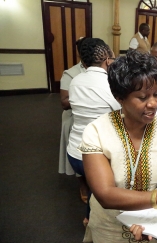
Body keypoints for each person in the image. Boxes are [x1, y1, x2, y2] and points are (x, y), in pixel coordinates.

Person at [79, 50, 157, 243]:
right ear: (120, 98)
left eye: (156, 94)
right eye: (142, 98)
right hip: (110, 226)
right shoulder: (97, 132)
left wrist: (152, 221)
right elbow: (105, 194)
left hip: (155, 221)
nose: (153, 103)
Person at [67, 38, 121, 226]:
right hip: (95, 155)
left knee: (93, 188)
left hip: (74, 152)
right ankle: (93, 221)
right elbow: (122, 112)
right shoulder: (109, 83)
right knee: (103, 191)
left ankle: (89, 217)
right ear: (107, 59)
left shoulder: (75, 81)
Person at [58, 36, 89, 204]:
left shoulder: (103, 71)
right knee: (74, 131)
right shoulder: (70, 74)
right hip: (74, 116)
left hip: (95, 113)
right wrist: (84, 96)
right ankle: (83, 184)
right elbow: (64, 103)